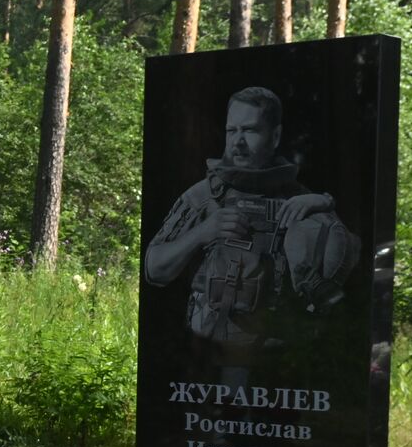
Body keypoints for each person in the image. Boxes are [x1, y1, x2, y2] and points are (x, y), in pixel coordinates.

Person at [144, 86, 358, 353]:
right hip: (211, 351)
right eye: (232, 131)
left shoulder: (301, 201)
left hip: (284, 357)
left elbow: (340, 272)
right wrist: (202, 233)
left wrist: (324, 206)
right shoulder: (204, 196)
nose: (238, 141)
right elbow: (154, 269)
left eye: (250, 130)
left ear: (275, 135)